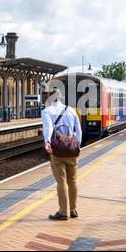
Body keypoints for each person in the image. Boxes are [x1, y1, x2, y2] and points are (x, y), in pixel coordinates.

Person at [42, 89, 82, 221]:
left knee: (61, 181)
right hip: (72, 150)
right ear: (60, 98)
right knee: (73, 181)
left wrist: (47, 142)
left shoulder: (47, 111)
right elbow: (78, 130)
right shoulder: (71, 110)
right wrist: (77, 145)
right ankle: (73, 209)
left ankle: (63, 212)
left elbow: (48, 128)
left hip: (57, 151)